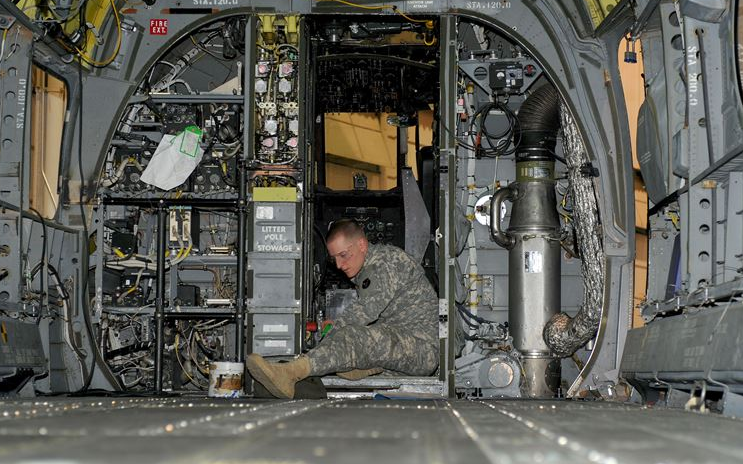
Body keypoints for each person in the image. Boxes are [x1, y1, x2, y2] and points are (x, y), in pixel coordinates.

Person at [246, 219, 439, 399]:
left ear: (362, 245)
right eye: (334, 259)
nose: (339, 265)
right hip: (404, 351)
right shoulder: (372, 265)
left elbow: (364, 312)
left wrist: (330, 338)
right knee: (350, 344)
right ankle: (363, 366)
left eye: (344, 255)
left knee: (355, 337)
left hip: (422, 351)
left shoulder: (384, 263)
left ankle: (291, 373)